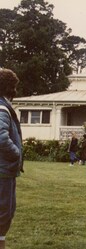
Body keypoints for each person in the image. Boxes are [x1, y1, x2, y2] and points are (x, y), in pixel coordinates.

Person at [0, 69, 23, 249]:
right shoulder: (2, 108)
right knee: (3, 214)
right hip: (3, 171)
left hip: (4, 170)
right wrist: (16, 153)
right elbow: (1, 138)